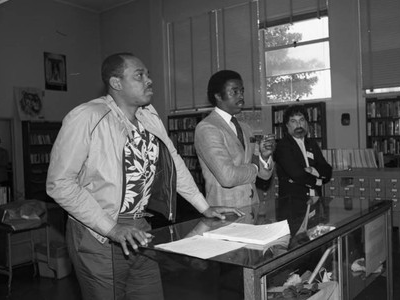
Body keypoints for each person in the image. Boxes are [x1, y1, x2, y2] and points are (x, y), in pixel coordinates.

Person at [46, 53, 243, 300]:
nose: (149, 80)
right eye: (139, 75)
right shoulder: (87, 117)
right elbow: (59, 184)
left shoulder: (148, 116)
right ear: (116, 83)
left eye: (148, 75)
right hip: (98, 233)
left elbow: (174, 163)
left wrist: (204, 207)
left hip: (140, 228)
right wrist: (112, 228)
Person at [194, 70, 275, 208]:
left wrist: (264, 158)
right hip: (226, 212)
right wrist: (256, 166)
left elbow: (265, 175)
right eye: (234, 92)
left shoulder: (246, 128)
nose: (241, 96)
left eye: (242, 91)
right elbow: (227, 177)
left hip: (252, 209)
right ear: (218, 96)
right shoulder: (207, 128)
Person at [274, 105, 332, 199]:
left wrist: (314, 170)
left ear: (306, 123)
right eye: (293, 121)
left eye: (301, 120)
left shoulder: (312, 144)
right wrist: (318, 181)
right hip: (293, 202)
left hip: (315, 198)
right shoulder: (283, 146)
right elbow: (297, 174)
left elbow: (327, 169)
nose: (298, 124)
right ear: (287, 125)